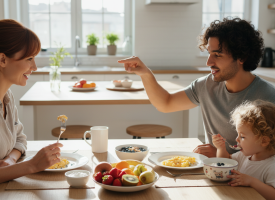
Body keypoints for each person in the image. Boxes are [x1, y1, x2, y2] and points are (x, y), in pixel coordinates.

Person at [118, 17, 275, 157]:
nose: (208, 62)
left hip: (250, 183)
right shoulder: (206, 85)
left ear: (242, 57)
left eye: (217, 55)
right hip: (214, 172)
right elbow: (165, 103)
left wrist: (223, 154)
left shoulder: (267, 97)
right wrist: (146, 74)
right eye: (209, 53)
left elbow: (270, 155)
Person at [0, 19, 62, 200]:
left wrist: (11, 160)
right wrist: (31, 165)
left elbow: (20, 138)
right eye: (29, 59)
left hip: (4, 191)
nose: (35, 67)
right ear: (2, 59)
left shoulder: (6, 96)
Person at [212, 100, 275, 200]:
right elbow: (224, 163)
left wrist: (251, 181)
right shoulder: (244, 156)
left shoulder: (272, 166)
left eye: (242, 137)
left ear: (263, 141)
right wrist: (220, 148)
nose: (237, 139)